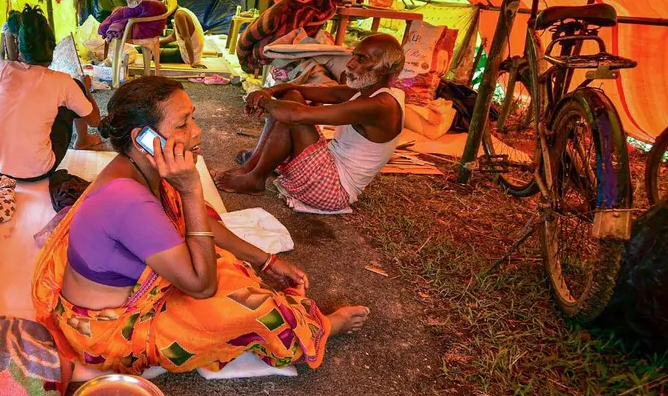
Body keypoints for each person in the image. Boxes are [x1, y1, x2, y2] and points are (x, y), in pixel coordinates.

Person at [31, 76, 370, 374]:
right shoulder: (128, 198)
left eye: (192, 119)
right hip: (107, 333)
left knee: (225, 260)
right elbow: (202, 285)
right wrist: (192, 188)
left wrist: (267, 261)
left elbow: (201, 223)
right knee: (249, 309)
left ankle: (280, 306)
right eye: (182, 124)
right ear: (143, 139)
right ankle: (318, 327)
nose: (197, 131)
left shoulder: (137, 168)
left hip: (127, 293)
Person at [215, 33, 406, 212]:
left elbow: (295, 115)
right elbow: (297, 89)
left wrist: (262, 100)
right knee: (292, 97)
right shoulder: (367, 91)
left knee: (292, 113)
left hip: (334, 191)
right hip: (329, 171)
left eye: (362, 59)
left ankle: (255, 178)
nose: (350, 63)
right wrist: (268, 92)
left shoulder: (380, 105)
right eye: (354, 55)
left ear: (385, 68)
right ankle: (250, 168)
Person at [0, 5, 102, 181]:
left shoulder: (3, 68)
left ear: (20, 50)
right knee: (76, 89)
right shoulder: (63, 81)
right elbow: (95, 120)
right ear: (52, 49)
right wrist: (86, 89)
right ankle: (83, 140)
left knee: (58, 99)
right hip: (37, 170)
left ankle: (81, 138)